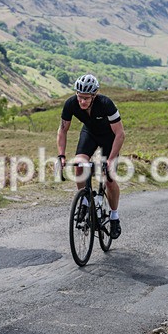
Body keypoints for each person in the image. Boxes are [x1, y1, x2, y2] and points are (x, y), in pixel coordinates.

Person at [57, 74, 125, 239]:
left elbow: (120, 134)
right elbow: (62, 130)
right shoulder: (71, 104)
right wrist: (61, 155)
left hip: (110, 137)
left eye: (86, 98)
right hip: (90, 133)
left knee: (108, 178)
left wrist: (110, 160)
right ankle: (85, 203)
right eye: (79, 97)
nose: (82, 101)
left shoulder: (106, 104)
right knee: (80, 166)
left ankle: (114, 217)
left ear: (94, 96)